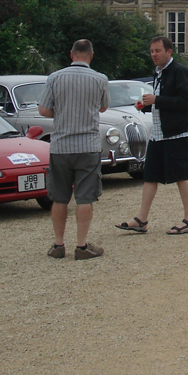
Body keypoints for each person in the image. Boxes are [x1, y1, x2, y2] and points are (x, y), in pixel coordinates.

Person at [117, 36, 188, 236]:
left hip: (177, 133)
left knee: (181, 175)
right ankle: (141, 219)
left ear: (169, 51)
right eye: (152, 51)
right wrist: (147, 106)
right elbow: (163, 103)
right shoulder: (159, 73)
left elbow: (185, 101)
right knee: (150, 175)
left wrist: (157, 100)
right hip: (159, 133)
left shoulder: (179, 71)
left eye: (158, 51)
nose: (154, 54)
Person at [38, 39, 111, 260]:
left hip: (60, 145)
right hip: (87, 145)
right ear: (91, 55)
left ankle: (58, 244)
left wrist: (61, 114)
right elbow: (103, 106)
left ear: (72, 54)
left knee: (60, 198)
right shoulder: (100, 79)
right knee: (84, 197)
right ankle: (81, 246)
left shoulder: (55, 78)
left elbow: (43, 110)